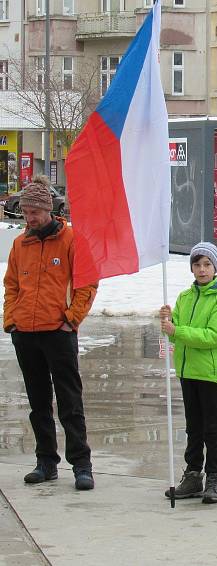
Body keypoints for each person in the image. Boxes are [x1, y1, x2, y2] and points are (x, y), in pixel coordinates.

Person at [3, 176, 97, 490]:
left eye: (35, 212)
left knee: (70, 402)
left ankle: (82, 466)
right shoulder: (20, 244)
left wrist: (71, 319)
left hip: (59, 333)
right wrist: (11, 321)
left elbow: (87, 283)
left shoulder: (72, 240)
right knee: (38, 402)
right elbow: (11, 286)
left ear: (48, 211)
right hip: (26, 334)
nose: (29, 218)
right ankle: (46, 462)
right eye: (26, 212)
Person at [160, 242, 217, 504]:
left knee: (212, 429)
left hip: (210, 373)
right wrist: (168, 322)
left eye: (206, 265)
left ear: (215, 268)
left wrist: (177, 331)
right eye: (197, 264)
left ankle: (214, 476)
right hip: (187, 371)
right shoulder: (185, 297)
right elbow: (175, 331)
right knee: (193, 428)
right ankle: (193, 475)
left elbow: (215, 336)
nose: (202, 270)